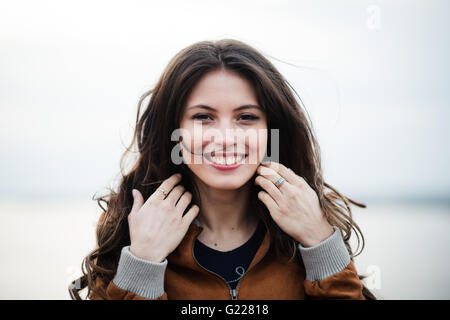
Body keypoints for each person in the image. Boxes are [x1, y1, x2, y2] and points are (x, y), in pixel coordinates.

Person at [69, 39, 376, 300]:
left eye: (246, 118)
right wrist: (143, 264)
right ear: (173, 130)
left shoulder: (309, 233)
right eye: (203, 117)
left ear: (271, 130)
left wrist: (322, 244)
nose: (227, 138)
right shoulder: (133, 234)